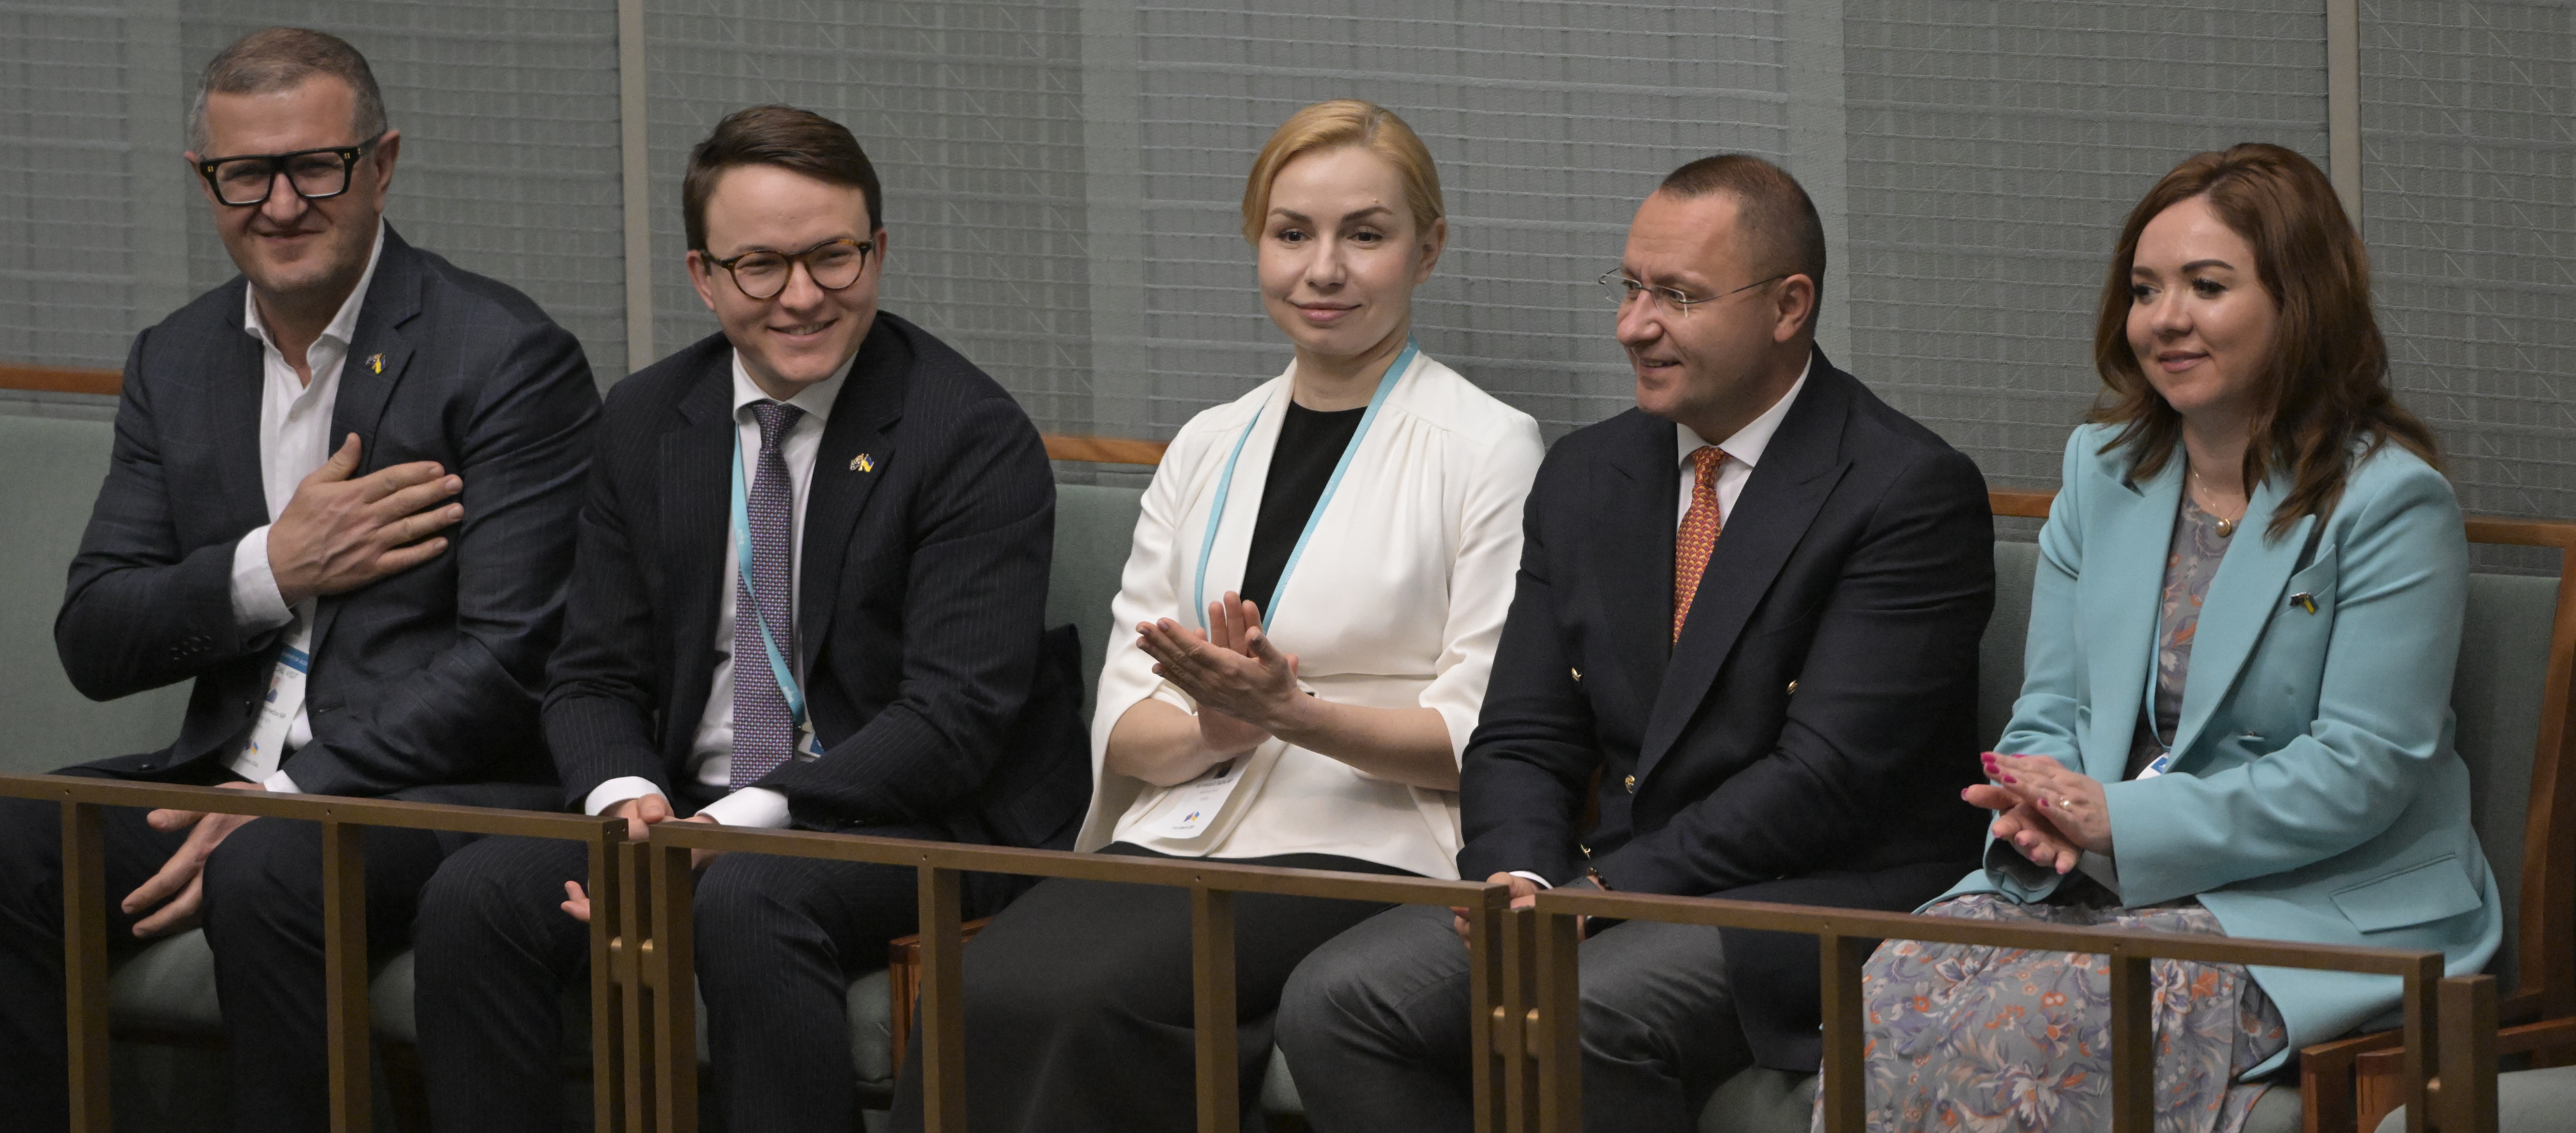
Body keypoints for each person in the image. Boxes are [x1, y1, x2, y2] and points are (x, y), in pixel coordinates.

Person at [0, 28, 602, 1133]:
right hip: (226, 773)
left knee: (273, 868)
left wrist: (291, 792)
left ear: (382, 165)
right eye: (246, 174)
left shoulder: (503, 355)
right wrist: (266, 570)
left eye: (315, 166)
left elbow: (515, 658)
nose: (281, 205)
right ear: (206, 183)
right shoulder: (175, 359)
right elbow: (96, 634)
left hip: (443, 794)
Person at [1281, 152, 1997, 1132]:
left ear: (1789, 307)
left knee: (1586, 1007)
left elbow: (1826, 778)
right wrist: (1520, 878)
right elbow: (1523, 731)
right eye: (1629, 288)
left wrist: (1608, 893)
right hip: (1600, 881)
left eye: (1678, 297)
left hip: (1814, 896)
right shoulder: (1585, 475)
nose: (1634, 326)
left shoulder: (1904, 489)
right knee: (1340, 1002)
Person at [411, 104, 1090, 1133]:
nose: (804, 296)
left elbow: (953, 720)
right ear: (705, 276)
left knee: (749, 897)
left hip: (910, 821)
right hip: (686, 806)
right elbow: (592, 672)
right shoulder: (647, 420)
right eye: (762, 267)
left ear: (881, 251)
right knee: (478, 896)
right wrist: (632, 807)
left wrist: (730, 827)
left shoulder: (968, 434)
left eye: (834, 257)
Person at [891, 100, 1545, 1131]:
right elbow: (1125, 722)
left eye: (1364, 235)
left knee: (1093, 1001)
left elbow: (1487, 739)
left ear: (1429, 251)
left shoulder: (1491, 448)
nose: (1322, 270)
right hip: (1180, 831)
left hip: (1369, 845)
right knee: (981, 990)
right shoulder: (1207, 444)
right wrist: (1218, 728)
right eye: (1292, 235)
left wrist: (1295, 715)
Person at [1841, 144, 2499, 1133]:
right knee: (1897, 983)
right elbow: (2054, 707)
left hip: (2314, 899)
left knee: (2047, 1014)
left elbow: (2365, 768)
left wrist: (2121, 824)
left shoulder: (2391, 502)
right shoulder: (2101, 469)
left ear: (2301, 300)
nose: (2166, 319)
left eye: (2207, 286)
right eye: (2146, 290)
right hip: (2098, 882)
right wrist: (2040, 807)